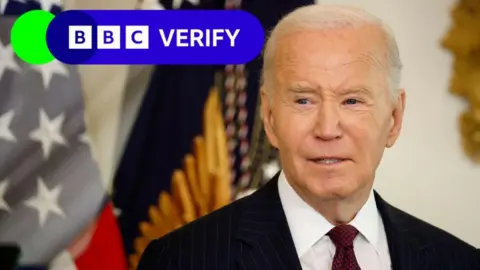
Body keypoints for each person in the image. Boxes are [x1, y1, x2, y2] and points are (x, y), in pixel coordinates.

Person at [137, 4, 480, 270]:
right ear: (269, 119)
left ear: (394, 118)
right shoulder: (183, 260)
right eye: (303, 100)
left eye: (352, 100)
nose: (327, 129)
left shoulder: (460, 262)